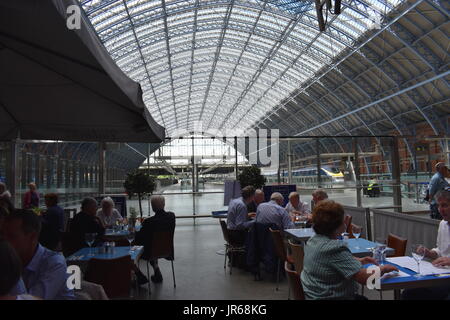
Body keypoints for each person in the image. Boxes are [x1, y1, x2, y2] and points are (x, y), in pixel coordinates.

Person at [301, 200, 398, 300]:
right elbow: (365, 278)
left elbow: (332, 263)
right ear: (337, 224)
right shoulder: (334, 248)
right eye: (343, 220)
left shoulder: (313, 241)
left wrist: (359, 261)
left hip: (314, 295)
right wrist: (384, 269)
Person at [3, 210, 74, 299]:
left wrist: (10, 265)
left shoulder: (55, 263)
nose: (4, 241)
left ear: (32, 237)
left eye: (11, 236)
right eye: (2, 235)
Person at [402, 187, 450, 300]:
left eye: (445, 205)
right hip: (442, 275)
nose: (440, 210)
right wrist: (429, 253)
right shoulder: (443, 224)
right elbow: (440, 251)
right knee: (409, 292)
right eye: (439, 206)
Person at [135, 195, 175, 283]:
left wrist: (136, 229)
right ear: (164, 204)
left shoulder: (148, 222)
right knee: (154, 244)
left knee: (140, 248)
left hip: (150, 253)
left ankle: (139, 276)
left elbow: (138, 239)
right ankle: (156, 270)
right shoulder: (172, 217)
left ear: (152, 207)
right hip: (167, 250)